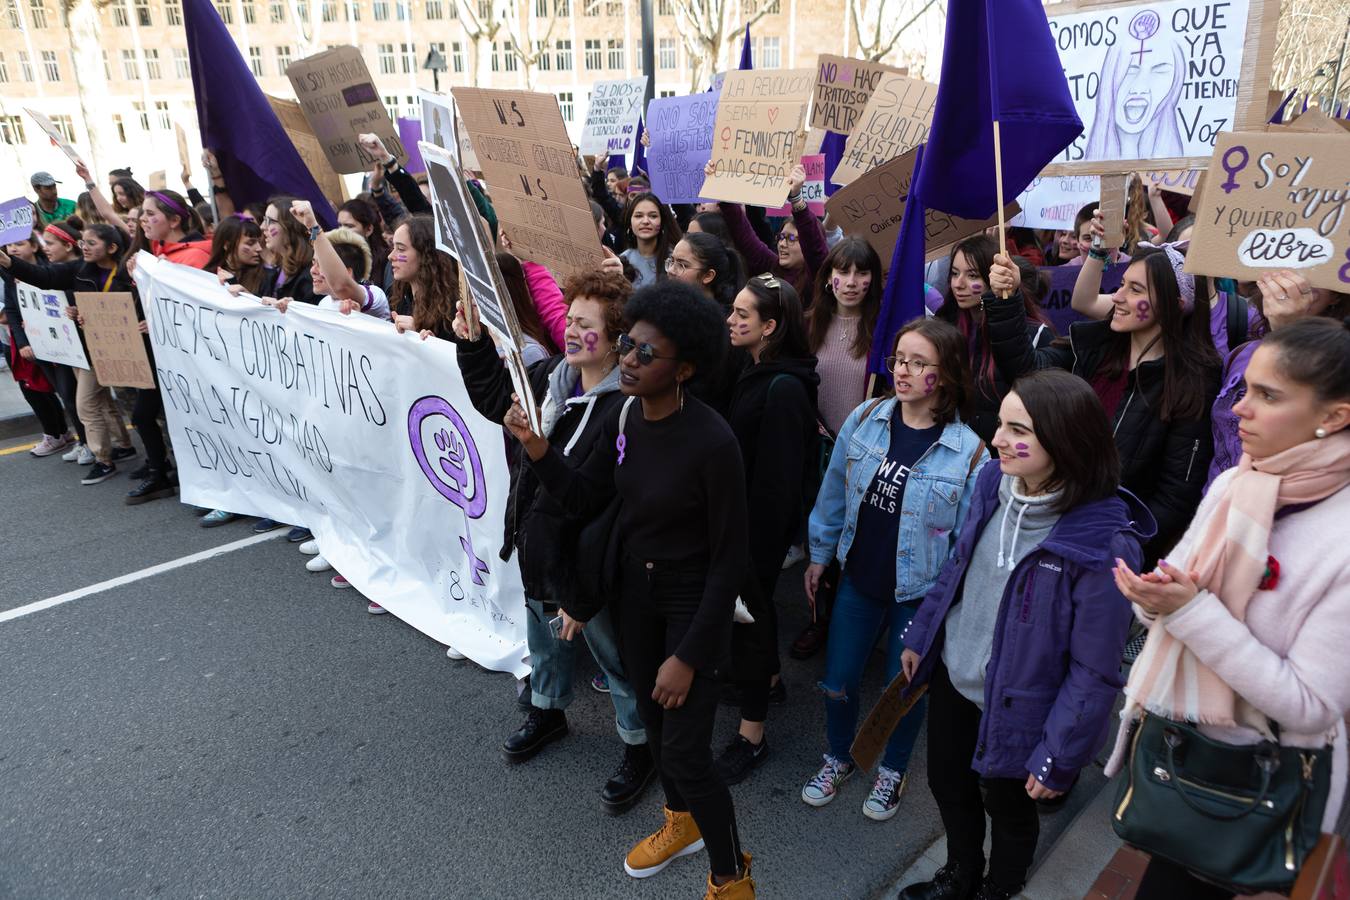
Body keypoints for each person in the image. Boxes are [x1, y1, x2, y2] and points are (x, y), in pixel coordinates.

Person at [505, 281, 755, 898]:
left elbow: (730, 564)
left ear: (687, 367)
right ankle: (681, 823)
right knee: (655, 726)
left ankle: (731, 877)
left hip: (692, 606)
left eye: (648, 353)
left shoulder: (714, 442)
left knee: (689, 754)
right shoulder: (624, 416)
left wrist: (689, 656)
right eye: (627, 346)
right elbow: (588, 497)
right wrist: (538, 449)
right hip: (636, 599)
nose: (630, 360)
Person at [1107, 317, 1350, 899]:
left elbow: (1311, 706)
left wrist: (1189, 612)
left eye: (1267, 396)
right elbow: (1168, 608)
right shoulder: (1238, 484)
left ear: (1334, 416)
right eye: (1246, 389)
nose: (1239, 408)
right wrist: (1154, 598)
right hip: (1183, 755)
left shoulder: (1341, 538)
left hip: (1256, 791)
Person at [898, 369, 1152, 900]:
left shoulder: (1106, 544)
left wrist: (1059, 754)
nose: (995, 440)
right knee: (949, 786)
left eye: (1019, 431)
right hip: (955, 676)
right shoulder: (993, 480)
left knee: (1008, 811)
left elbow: (1094, 668)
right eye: (1001, 424)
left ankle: (1000, 888)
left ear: (1064, 442)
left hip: (1024, 707)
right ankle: (961, 875)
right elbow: (959, 566)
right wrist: (922, 636)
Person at [452, 267, 657, 809]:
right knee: (543, 638)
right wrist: (472, 344)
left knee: (613, 656)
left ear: (615, 341)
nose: (568, 330)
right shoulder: (549, 378)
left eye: (583, 324)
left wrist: (584, 598)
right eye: (567, 318)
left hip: (591, 567)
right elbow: (496, 395)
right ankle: (547, 711)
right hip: (540, 544)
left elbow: (589, 502)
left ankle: (641, 744)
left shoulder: (624, 411)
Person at [801, 318, 986, 820]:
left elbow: (966, 543)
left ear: (944, 376)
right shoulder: (867, 417)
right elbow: (834, 489)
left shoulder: (968, 452)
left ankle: (891, 771)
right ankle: (837, 757)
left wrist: (946, 609)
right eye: (899, 359)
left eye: (917, 363)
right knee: (837, 681)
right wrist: (819, 555)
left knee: (901, 691)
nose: (902, 371)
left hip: (918, 596)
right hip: (859, 582)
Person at [986, 244, 1219, 560]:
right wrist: (1009, 300)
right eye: (1122, 284)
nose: (1118, 296)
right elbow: (1028, 371)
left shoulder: (1192, 384)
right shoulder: (1092, 349)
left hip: (1106, 552)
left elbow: (1175, 497)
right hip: (1050, 524)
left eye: (1134, 289)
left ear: (1173, 304)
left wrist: (1117, 547)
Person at [715, 274, 819, 786]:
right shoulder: (755, 368)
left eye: (742, 315)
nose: (731, 321)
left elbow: (778, 484)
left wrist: (751, 550)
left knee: (749, 627)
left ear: (771, 327)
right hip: (743, 526)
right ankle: (772, 683)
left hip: (756, 532)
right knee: (753, 620)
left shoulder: (782, 388)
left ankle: (752, 737)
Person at [790, 237, 885, 660]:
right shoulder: (808, 324)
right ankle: (819, 620)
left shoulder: (884, 330)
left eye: (861, 273)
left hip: (865, 452)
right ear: (828, 277)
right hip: (816, 448)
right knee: (820, 536)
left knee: (858, 539)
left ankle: (854, 625)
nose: (851, 282)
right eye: (842, 272)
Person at [0, 223, 138, 483]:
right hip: (81, 348)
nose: (85, 246)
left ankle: (104, 460)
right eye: (83, 241)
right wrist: (8, 262)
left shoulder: (126, 272)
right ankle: (124, 446)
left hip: (112, 348)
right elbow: (44, 278)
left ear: (112, 248)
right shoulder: (79, 270)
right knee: (102, 403)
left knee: (87, 404)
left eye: (91, 243)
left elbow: (134, 306)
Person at [1207, 272, 1349, 490]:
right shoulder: (1242, 353)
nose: (1295, 280)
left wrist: (1292, 332)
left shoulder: (1342, 364)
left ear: (1336, 296)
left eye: (1268, 395)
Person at [936, 236, 1055, 446]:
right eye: (954, 274)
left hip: (1002, 452)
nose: (958, 284)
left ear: (993, 278)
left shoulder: (1036, 334)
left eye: (972, 275)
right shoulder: (945, 325)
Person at [713, 163, 829, 307]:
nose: (782, 244)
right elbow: (744, 236)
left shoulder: (818, 276)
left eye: (791, 238)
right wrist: (721, 188)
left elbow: (814, 246)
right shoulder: (772, 266)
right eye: (780, 237)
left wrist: (797, 199)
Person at [1, 230, 72, 457]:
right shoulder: (9, 274)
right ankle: (56, 434)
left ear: (34, 246)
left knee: (69, 394)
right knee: (34, 388)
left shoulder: (49, 270)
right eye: (9, 244)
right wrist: (22, 341)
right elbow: (11, 310)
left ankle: (87, 442)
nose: (13, 248)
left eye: (19, 243)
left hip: (60, 341)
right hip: (23, 341)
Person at [260, 197, 316, 305]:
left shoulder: (311, 274)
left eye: (270, 221)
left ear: (289, 227)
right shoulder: (277, 269)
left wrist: (289, 308)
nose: (263, 226)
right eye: (264, 219)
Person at [620, 193, 682, 289]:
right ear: (630, 222)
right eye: (638, 216)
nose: (645, 221)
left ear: (662, 222)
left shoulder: (675, 260)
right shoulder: (622, 260)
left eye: (653, 216)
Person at [138, 190, 211, 267]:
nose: (141, 218)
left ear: (174, 221)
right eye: (143, 212)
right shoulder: (159, 251)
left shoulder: (196, 257)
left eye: (150, 214)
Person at [204, 215, 271, 297]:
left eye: (259, 242)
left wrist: (239, 288)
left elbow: (269, 308)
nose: (259, 248)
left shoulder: (267, 276)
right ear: (227, 245)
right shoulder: (206, 276)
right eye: (250, 243)